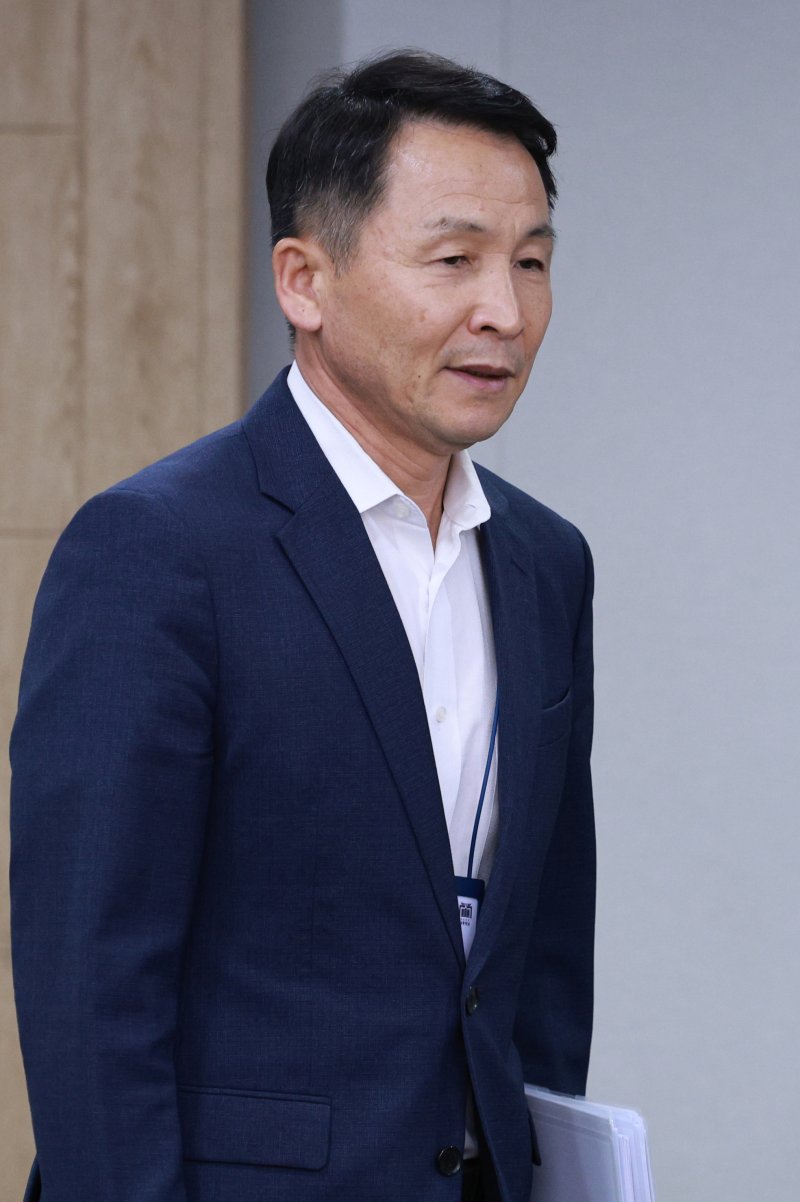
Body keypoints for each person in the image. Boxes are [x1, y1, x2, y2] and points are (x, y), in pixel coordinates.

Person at [10, 50, 595, 1202]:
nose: (505, 310)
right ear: (303, 280)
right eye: (454, 259)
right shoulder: (158, 549)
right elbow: (91, 977)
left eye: (531, 261)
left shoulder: (545, 562)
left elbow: (539, 962)